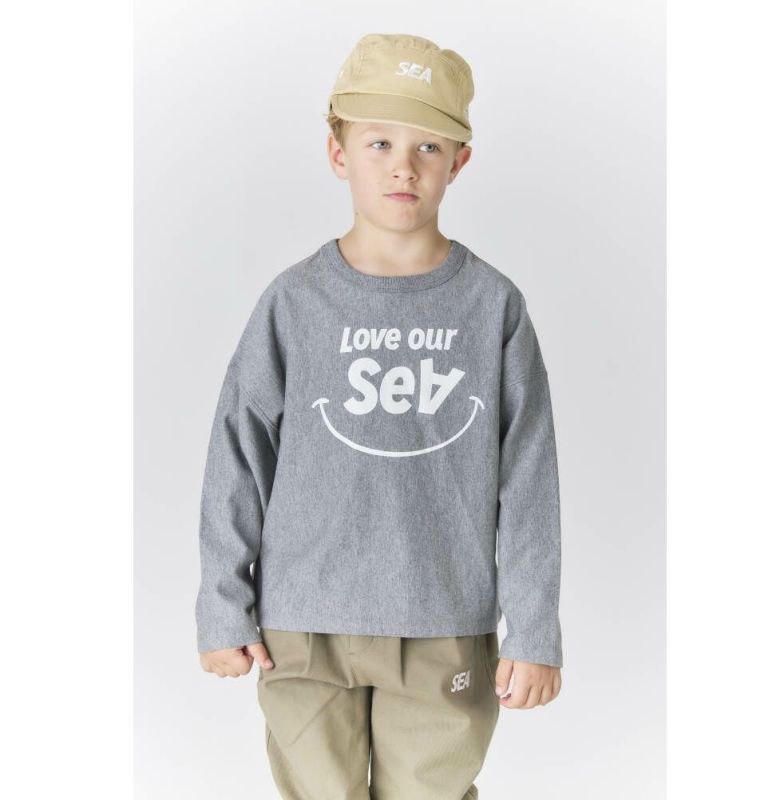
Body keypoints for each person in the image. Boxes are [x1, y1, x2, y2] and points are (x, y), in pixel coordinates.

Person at [195, 32, 564, 800]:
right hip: (301, 625)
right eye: (380, 142)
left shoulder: (493, 307)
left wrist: (533, 629)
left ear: (459, 161)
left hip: (444, 622)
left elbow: (529, 478)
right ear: (339, 153)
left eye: (428, 145)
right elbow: (239, 451)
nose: (404, 165)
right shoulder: (294, 302)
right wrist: (222, 604)